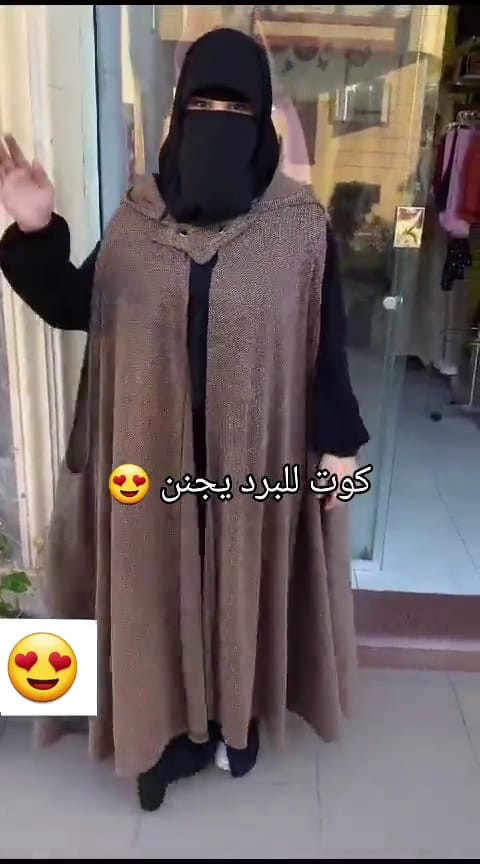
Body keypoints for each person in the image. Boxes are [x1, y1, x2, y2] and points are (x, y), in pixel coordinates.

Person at [0, 28, 368, 811]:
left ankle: (235, 720)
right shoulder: (138, 218)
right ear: (177, 112)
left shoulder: (298, 227)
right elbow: (74, 306)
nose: (216, 122)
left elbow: (324, 343)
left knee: (239, 582)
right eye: (203, 104)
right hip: (148, 457)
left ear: (262, 117)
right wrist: (34, 229)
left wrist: (339, 446)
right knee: (151, 588)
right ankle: (163, 736)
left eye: (235, 109)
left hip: (251, 458)